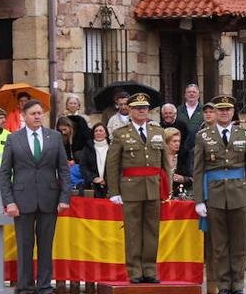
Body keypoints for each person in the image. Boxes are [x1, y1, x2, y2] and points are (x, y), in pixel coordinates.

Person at [0, 98, 72, 294]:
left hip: (49, 199)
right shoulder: (14, 139)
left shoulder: (54, 137)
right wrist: (9, 202)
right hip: (22, 201)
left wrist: (64, 197)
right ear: (24, 116)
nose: (38, 116)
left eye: (40, 113)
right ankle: (24, 289)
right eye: (33, 114)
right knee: (24, 246)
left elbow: (64, 171)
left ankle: (45, 289)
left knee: (46, 246)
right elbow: (5, 173)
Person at [192, 95, 246, 294]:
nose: (224, 113)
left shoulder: (244, 135)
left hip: (239, 193)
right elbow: (198, 170)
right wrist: (199, 200)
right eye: (220, 110)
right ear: (215, 112)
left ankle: (238, 285)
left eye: (228, 110)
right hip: (214, 195)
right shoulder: (203, 136)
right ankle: (223, 285)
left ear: (232, 112)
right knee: (219, 244)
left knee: (239, 243)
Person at [106, 92, 169, 283]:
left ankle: (149, 270)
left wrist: (167, 188)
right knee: (133, 231)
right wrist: (114, 191)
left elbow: (165, 164)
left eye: (144, 108)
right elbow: (112, 164)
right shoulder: (121, 133)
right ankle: (134, 270)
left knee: (152, 230)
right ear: (130, 110)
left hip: (153, 187)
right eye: (137, 108)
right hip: (131, 189)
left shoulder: (158, 132)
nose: (142, 111)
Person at [78, 122, 110, 198]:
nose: (98, 133)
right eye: (96, 131)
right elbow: (83, 167)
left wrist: (106, 180)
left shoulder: (113, 148)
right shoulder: (87, 148)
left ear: (106, 134)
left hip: (110, 187)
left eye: (101, 131)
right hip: (92, 186)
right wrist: (94, 178)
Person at [159, 103, 191, 175]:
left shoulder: (182, 126)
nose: (168, 115)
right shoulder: (159, 127)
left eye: (170, 113)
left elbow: (186, 140)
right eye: (165, 113)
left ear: (175, 114)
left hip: (181, 156)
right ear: (162, 114)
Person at [163, 127, 191, 198]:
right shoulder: (159, 157)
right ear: (166, 142)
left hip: (180, 196)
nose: (177, 144)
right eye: (174, 141)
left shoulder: (185, 156)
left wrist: (183, 179)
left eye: (179, 141)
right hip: (161, 195)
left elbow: (194, 179)